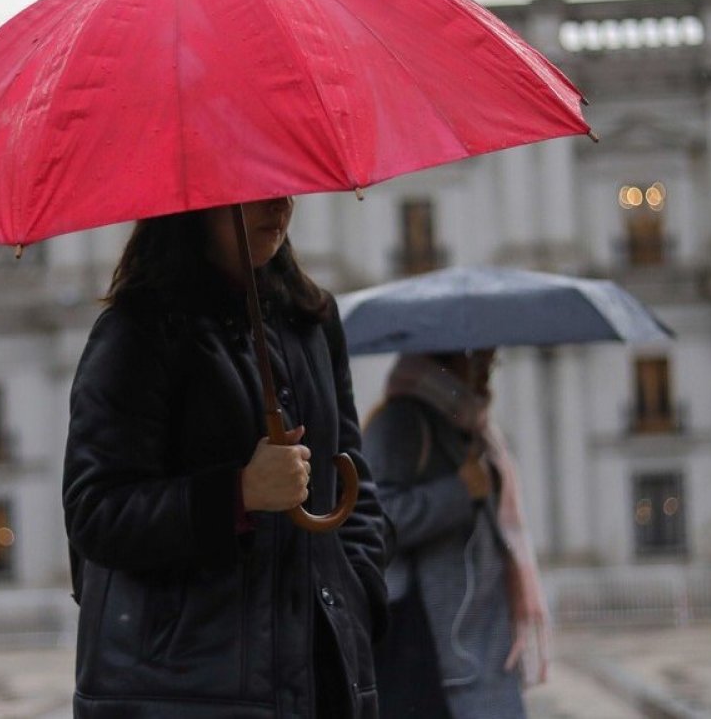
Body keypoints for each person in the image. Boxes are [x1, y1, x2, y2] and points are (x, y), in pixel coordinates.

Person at [62, 196, 390, 719]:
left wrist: (360, 595)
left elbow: (354, 481)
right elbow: (95, 511)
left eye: (286, 185)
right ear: (197, 203)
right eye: (255, 190)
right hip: (183, 693)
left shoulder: (312, 323)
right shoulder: (138, 332)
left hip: (320, 682)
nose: (279, 205)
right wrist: (237, 494)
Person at [364, 349, 551, 719]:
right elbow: (373, 523)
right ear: (451, 358)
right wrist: (459, 491)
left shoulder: (472, 429)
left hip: (482, 650)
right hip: (432, 660)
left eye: (494, 361)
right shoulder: (400, 421)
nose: (488, 369)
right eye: (482, 359)